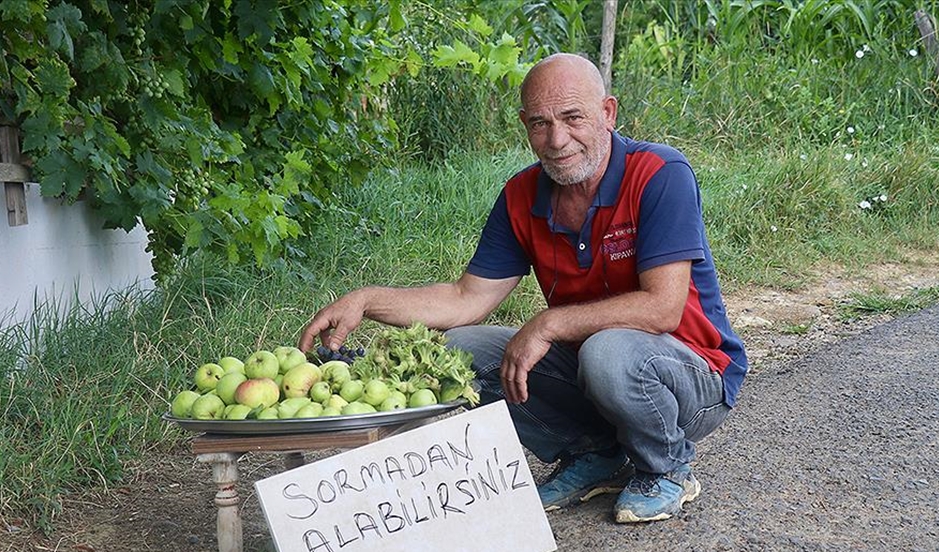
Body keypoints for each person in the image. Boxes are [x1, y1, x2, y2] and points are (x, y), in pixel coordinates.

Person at [299, 53, 747, 523]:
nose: (556, 140)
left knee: (606, 352)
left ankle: (669, 466)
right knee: (460, 349)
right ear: (524, 125)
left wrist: (549, 323)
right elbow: (465, 298)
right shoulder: (522, 194)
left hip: (693, 381)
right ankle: (594, 453)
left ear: (608, 113)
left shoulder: (659, 173)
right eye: (540, 123)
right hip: (596, 371)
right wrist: (366, 300)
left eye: (573, 118)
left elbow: (663, 309)